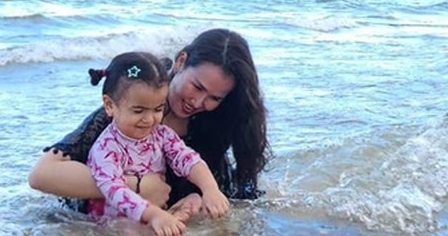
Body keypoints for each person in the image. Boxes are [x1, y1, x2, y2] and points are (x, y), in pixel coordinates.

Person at [28, 28, 271, 214]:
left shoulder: (213, 123)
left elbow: (233, 192)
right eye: (197, 87)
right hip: (103, 220)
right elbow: (42, 175)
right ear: (181, 62)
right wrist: (138, 187)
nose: (198, 102)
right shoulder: (129, 113)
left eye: (214, 98)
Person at [84, 51, 230, 236]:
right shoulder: (105, 147)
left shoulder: (162, 134)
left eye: (158, 109)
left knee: (196, 200)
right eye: (138, 110)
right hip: (115, 222)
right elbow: (113, 190)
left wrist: (210, 188)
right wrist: (153, 214)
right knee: (128, 232)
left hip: (157, 215)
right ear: (110, 105)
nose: (149, 119)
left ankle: (171, 233)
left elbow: (188, 159)